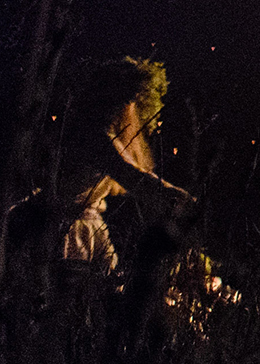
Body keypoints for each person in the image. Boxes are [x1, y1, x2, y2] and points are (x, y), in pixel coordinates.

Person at [49, 57, 192, 274]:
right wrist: (180, 198)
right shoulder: (94, 137)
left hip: (88, 228)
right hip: (67, 231)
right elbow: (132, 177)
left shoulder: (105, 136)